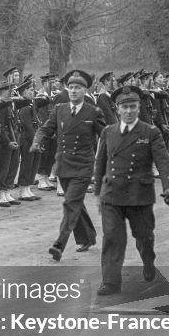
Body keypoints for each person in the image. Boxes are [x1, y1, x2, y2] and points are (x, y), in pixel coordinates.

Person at [93, 86, 169, 295]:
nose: (129, 111)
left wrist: (168, 187)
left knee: (144, 236)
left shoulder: (150, 132)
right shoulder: (108, 132)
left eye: (133, 107)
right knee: (112, 236)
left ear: (139, 108)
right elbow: (100, 163)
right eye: (125, 107)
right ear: (117, 109)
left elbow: (163, 162)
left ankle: (148, 261)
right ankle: (111, 281)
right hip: (112, 194)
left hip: (140, 195)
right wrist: (97, 193)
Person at [31, 70, 106, 261]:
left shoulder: (93, 111)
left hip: (83, 165)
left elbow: (106, 135)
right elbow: (46, 128)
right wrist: (37, 141)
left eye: (78, 88)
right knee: (76, 203)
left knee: (70, 203)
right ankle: (89, 236)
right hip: (63, 164)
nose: (73, 91)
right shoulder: (59, 109)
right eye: (70, 87)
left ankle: (59, 244)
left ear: (85, 91)